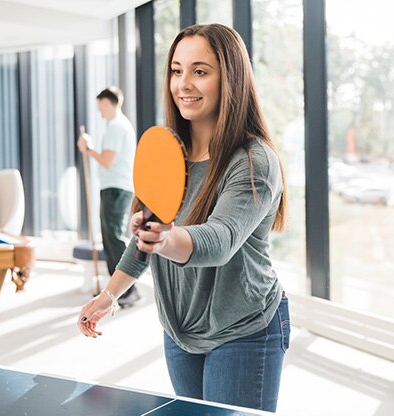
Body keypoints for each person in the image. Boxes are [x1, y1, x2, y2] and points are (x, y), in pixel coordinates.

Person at [77, 24, 289, 412]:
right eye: (176, 70)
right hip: (179, 328)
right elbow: (146, 238)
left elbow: (220, 239)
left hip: (243, 329)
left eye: (200, 71)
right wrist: (109, 295)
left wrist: (167, 239)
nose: (183, 84)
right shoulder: (169, 154)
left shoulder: (254, 160)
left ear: (231, 77)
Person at [76, 87, 139, 306]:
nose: (100, 112)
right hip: (117, 186)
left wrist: (88, 149)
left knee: (113, 237)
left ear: (106, 103)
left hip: (116, 187)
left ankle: (127, 290)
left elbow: (107, 160)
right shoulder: (122, 126)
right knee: (111, 236)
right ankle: (120, 290)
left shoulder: (115, 126)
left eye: (100, 106)